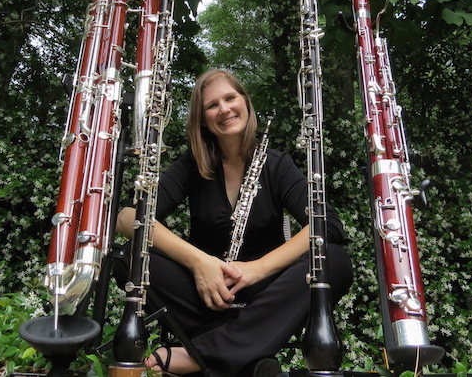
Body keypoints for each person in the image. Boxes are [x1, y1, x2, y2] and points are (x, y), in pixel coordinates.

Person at [115, 69, 352, 377]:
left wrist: (257, 269)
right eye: (212, 105)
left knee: (334, 261)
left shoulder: (276, 163)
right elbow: (127, 218)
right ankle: (246, 355)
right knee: (127, 257)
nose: (224, 109)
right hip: (207, 293)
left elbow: (327, 224)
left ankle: (204, 353)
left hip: (264, 292)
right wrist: (200, 263)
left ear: (246, 103)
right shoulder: (193, 165)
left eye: (230, 98)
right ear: (202, 119)